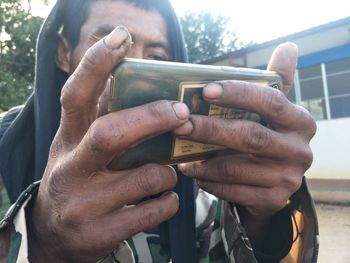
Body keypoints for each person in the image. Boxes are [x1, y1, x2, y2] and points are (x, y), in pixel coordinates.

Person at [0, 0, 319, 262]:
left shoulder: (197, 181)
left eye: (156, 57)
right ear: (62, 52)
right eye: (110, 45)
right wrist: (39, 241)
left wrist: (262, 215)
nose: (134, 72)